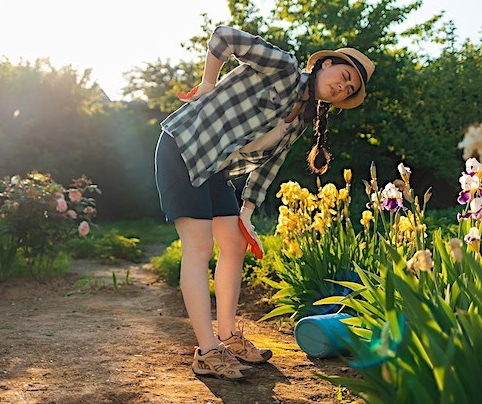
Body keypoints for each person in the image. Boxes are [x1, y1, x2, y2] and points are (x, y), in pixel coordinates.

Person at [155, 25, 374, 380]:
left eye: (348, 90)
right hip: (185, 146)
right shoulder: (283, 66)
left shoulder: (300, 119)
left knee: (236, 243)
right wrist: (209, 83)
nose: (341, 87)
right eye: (344, 76)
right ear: (326, 64)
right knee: (199, 248)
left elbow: (268, 167)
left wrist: (247, 214)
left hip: (215, 168)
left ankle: (228, 336)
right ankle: (207, 352)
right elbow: (223, 36)